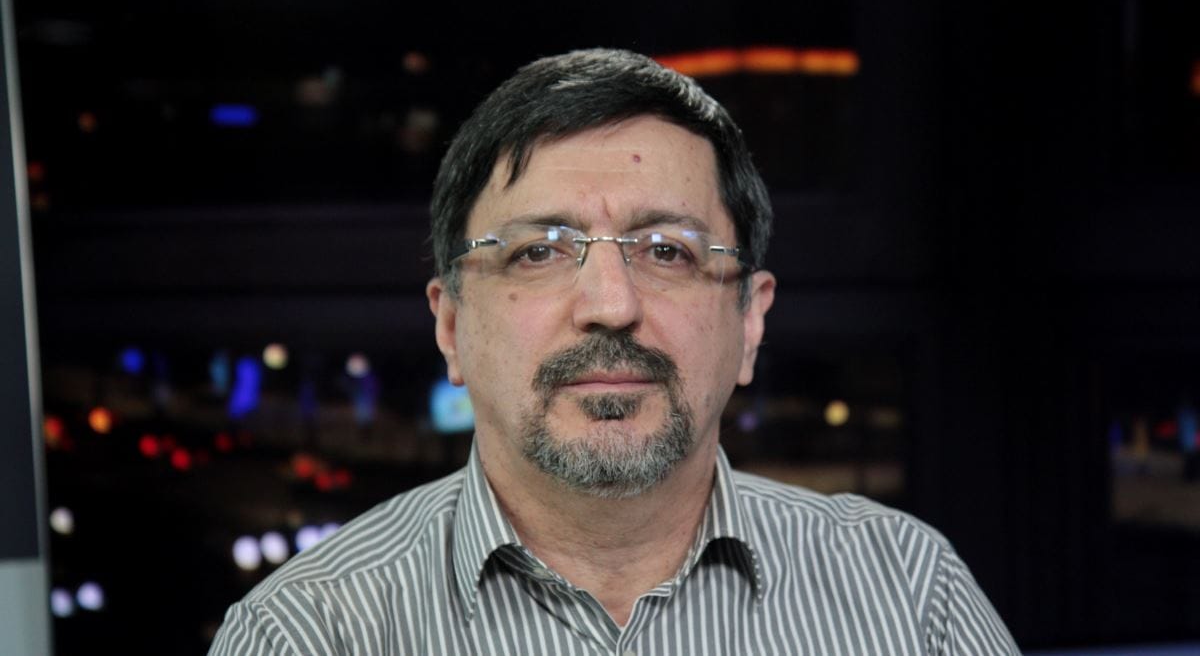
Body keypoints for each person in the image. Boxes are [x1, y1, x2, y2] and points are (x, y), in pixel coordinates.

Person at [210, 48, 1019, 655]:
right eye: (538, 252)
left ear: (749, 321)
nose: (611, 306)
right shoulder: (307, 631)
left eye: (668, 251)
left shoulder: (909, 592)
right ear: (451, 324)